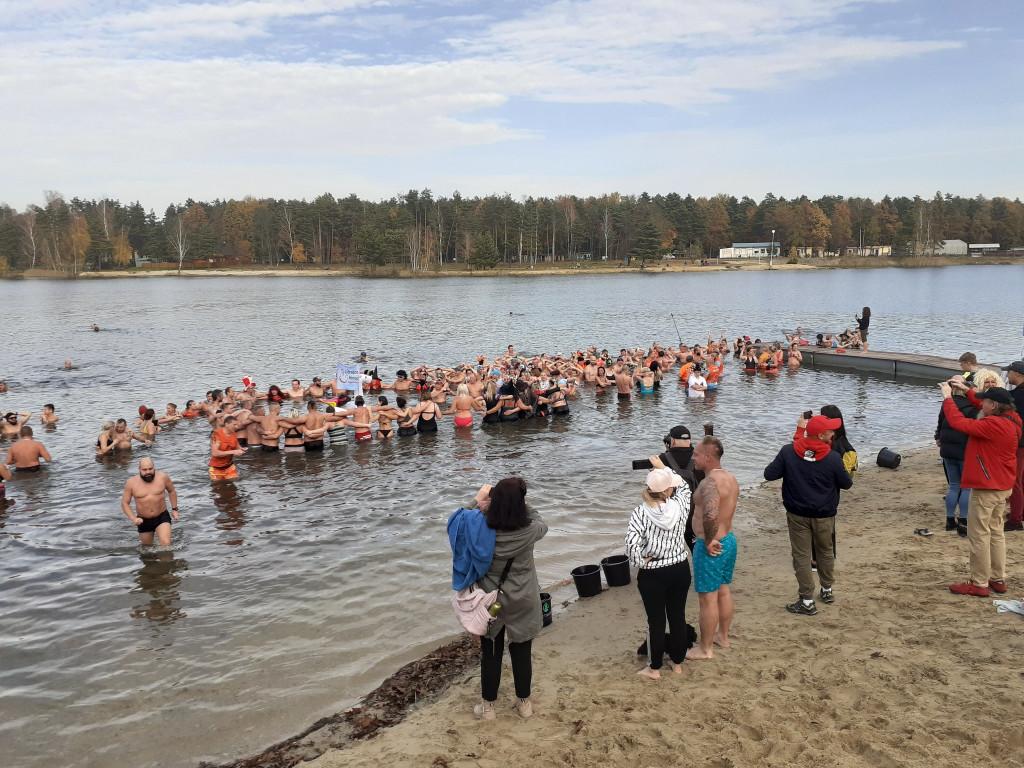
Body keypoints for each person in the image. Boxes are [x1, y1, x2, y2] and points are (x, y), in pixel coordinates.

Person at [472, 478, 547, 720]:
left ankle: (488, 707)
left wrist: (477, 500)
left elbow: (457, 521)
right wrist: (523, 504)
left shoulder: (480, 527)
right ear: (520, 502)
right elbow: (541, 521)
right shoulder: (531, 529)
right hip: (524, 597)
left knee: (491, 653)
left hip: (490, 599)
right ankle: (524, 703)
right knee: (522, 650)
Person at [764, 413, 852, 616]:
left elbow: (770, 474)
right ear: (821, 436)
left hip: (797, 513)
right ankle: (827, 590)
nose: (834, 432)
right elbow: (847, 484)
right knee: (825, 551)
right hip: (824, 514)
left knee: (802, 556)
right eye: (830, 430)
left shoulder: (789, 452)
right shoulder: (833, 458)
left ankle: (806, 600)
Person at [941, 381, 1022, 596]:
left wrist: (948, 398)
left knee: (978, 535)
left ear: (994, 405)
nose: (981, 404)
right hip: (1002, 484)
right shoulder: (1012, 420)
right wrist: (967, 390)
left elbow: (960, 423)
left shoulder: (994, 424)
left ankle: (978, 583)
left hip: (987, 486)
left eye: (986, 401)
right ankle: (998, 578)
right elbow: (979, 406)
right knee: (996, 533)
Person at [626, 466, 691, 679]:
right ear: (666, 492)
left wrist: (640, 561)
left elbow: (631, 545)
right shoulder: (680, 505)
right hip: (679, 568)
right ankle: (677, 661)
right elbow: (685, 487)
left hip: (653, 572)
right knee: (677, 617)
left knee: (656, 621)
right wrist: (664, 467)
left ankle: (654, 668)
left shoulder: (640, 512)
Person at [685, 436, 738, 660]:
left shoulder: (710, 483)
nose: (692, 457)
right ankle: (722, 637)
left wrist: (707, 540)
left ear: (708, 457)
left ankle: (705, 649)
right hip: (729, 540)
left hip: (712, 546)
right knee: (723, 590)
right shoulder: (730, 478)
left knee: (707, 598)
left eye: (696, 454)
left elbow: (711, 514)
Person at [935, 380, 979, 535]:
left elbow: (940, 422)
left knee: (953, 486)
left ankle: (949, 520)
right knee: (966, 487)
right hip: (964, 450)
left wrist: (938, 437)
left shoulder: (947, 404)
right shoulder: (973, 408)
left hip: (948, 449)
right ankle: (963, 520)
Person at [121, 459, 179, 547]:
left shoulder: (163, 477)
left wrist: (174, 509)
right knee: (148, 549)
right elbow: (125, 503)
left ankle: (167, 560)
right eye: (144, 470)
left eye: (150, 469)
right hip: (143, 520)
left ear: (154, 468)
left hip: (161, 516)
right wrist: (133, 519)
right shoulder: (131, 483)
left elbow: (172, 491)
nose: (148, 472)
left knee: (165, 543)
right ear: (139, 469)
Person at [1003, 361, 1024, 531]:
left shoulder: (1019, 395)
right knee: (1021, 479)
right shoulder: (1018, 392)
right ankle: (1020, 512)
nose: (1007, 375)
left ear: (1016, 374)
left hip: (1020, 444)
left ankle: (1016, 520)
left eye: (1008, 372)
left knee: (1015, 482)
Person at [209, 415, 245, 481]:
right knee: (217, 488)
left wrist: (242, 450)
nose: (236, 427)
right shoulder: (216, 434)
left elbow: (238, 447)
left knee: (234, 486)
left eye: (237, 425)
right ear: (226, 424)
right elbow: (214, 453)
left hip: (229, 466)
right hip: (216, 468)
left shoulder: (234, 434)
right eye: (234, 425)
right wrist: (233, 452)